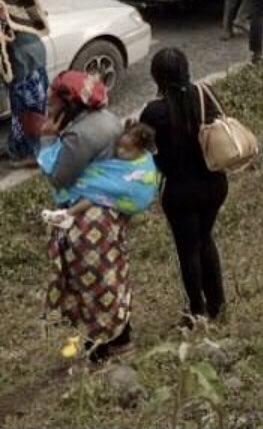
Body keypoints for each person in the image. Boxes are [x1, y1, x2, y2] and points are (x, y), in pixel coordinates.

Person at [38, 72, 132, 360]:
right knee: (114, 275)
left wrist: (47, 139)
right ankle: (123, 336)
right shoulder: (108, 119)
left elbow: (58, 178)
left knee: (90, 283)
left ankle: (99, 348)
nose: (49, 110)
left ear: (71, 105)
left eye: (53, 104)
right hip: (110, 210)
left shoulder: (78, 135)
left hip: (87, 220)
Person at [140, 49, 228, 324]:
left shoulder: (154, 111)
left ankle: (197, 310)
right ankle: (218, 304)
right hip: (214, 182)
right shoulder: (205, 95)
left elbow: (142, 145)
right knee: (206, 238)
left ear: (157, 76)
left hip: (179, 189)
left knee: (188, 248)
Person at [40, 123, 158, 227]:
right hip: (115, 189)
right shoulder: (123, 159)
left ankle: (67, 215)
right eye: (119, 146)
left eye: (128, 150)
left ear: (141, 150)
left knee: (93, 197)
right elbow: (107, 169)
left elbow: (138, 182)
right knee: (96, 191)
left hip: (132, 196)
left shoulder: (143, 164)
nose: (120, 151)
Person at [1, 9, 48, 165]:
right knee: (20, 114)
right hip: (24, 63)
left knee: (30, 115)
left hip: (27, 65)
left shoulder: (8, 5)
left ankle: (35, 155)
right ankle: (16, 149)